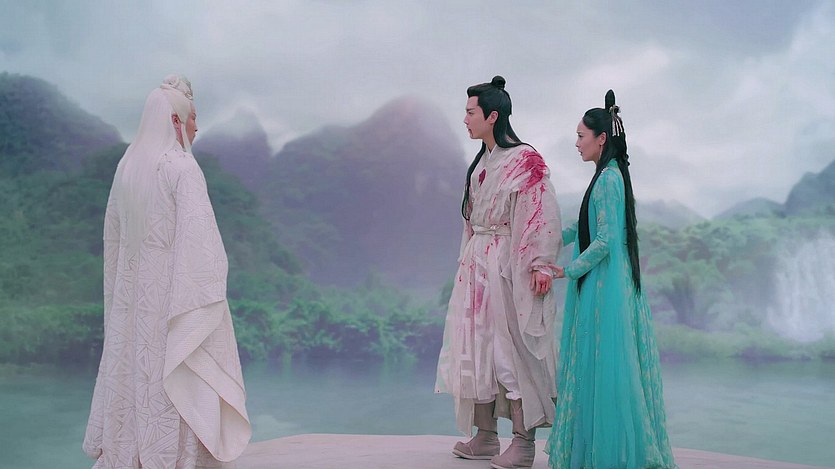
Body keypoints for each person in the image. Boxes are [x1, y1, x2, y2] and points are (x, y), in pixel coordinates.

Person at [83, 75, 251, 468]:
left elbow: (113, 242)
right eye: (192, 117)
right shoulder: (182, 168)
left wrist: (123, 295)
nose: (197, 126)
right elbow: (201, 244)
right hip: (172, 301)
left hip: (133, 302)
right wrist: (204, 297)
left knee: (134, 372)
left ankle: (130, 454)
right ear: (175, 121)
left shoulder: (127, 169)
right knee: (174, 369)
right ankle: (174, 458)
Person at [435, 75, 562, 469]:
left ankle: (524, 442)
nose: (465, 119)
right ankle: (486, 435)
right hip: (478, 264)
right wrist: (467, 263)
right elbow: (471, 221)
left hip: (507, 264)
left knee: (511, 349)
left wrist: (540, 263)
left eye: (470, 112)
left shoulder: (525, 160)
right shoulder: (482, 163)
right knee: (476, 346)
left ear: (492, 116)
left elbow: (540, 214)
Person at [545, 90, 675, 468]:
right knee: (602, 367)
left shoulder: (608, 180)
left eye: (581, 136)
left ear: (601, 139)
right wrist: (546, 239)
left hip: (605, 286)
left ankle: (607, 455)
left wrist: (567, 270)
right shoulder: (606, 176)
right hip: (606, 282)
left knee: (605, 368)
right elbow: (583, 227)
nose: (576, 143)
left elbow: (605, 240)